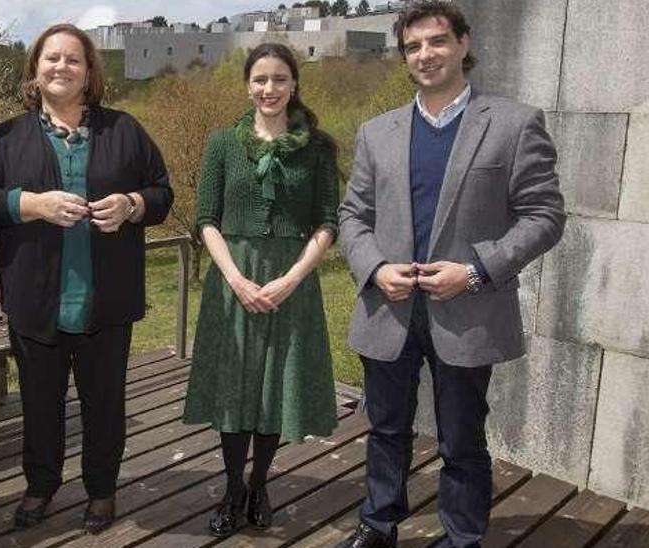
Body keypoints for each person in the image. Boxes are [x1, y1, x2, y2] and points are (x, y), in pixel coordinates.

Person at [334, 2, 565, 547]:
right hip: (389, 310)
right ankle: (378, 524)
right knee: (386, 429)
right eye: (412, 47)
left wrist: (476, 270)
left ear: (463, 43)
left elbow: (546, 216)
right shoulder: (377, 132)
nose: (425, 55)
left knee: (461, 440)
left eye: (436, 41)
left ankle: (461, 538)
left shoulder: (513, 123)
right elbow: (352, 216)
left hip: (467, 312)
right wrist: (374, 267)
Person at [0, 23, 174, 536]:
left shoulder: (124, 130)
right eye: (51, 59)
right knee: (40, 405)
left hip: (107, 301)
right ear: (35, 71)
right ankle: (40, 486)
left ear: (88, 72)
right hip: (36, 301)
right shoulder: (8, 136)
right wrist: (30, 203)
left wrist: (132, 204)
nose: (61, 67)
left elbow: (162, 193)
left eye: (73, 60)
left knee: (105, 404)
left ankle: (101, 491)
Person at [182, 42, 341, 538]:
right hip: (234, 277)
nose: (268, 89)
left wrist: (292, 277)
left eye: (279, 79)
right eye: (259, 79)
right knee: (235, 386)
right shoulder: (222, 144)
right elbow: (204, 218)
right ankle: (232, 488)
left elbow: (328, 222)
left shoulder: (319, 148)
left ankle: (259, 482)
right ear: (247, 84)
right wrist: (233, 277)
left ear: (295, 84)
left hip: (291, 280)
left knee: (275, 386)